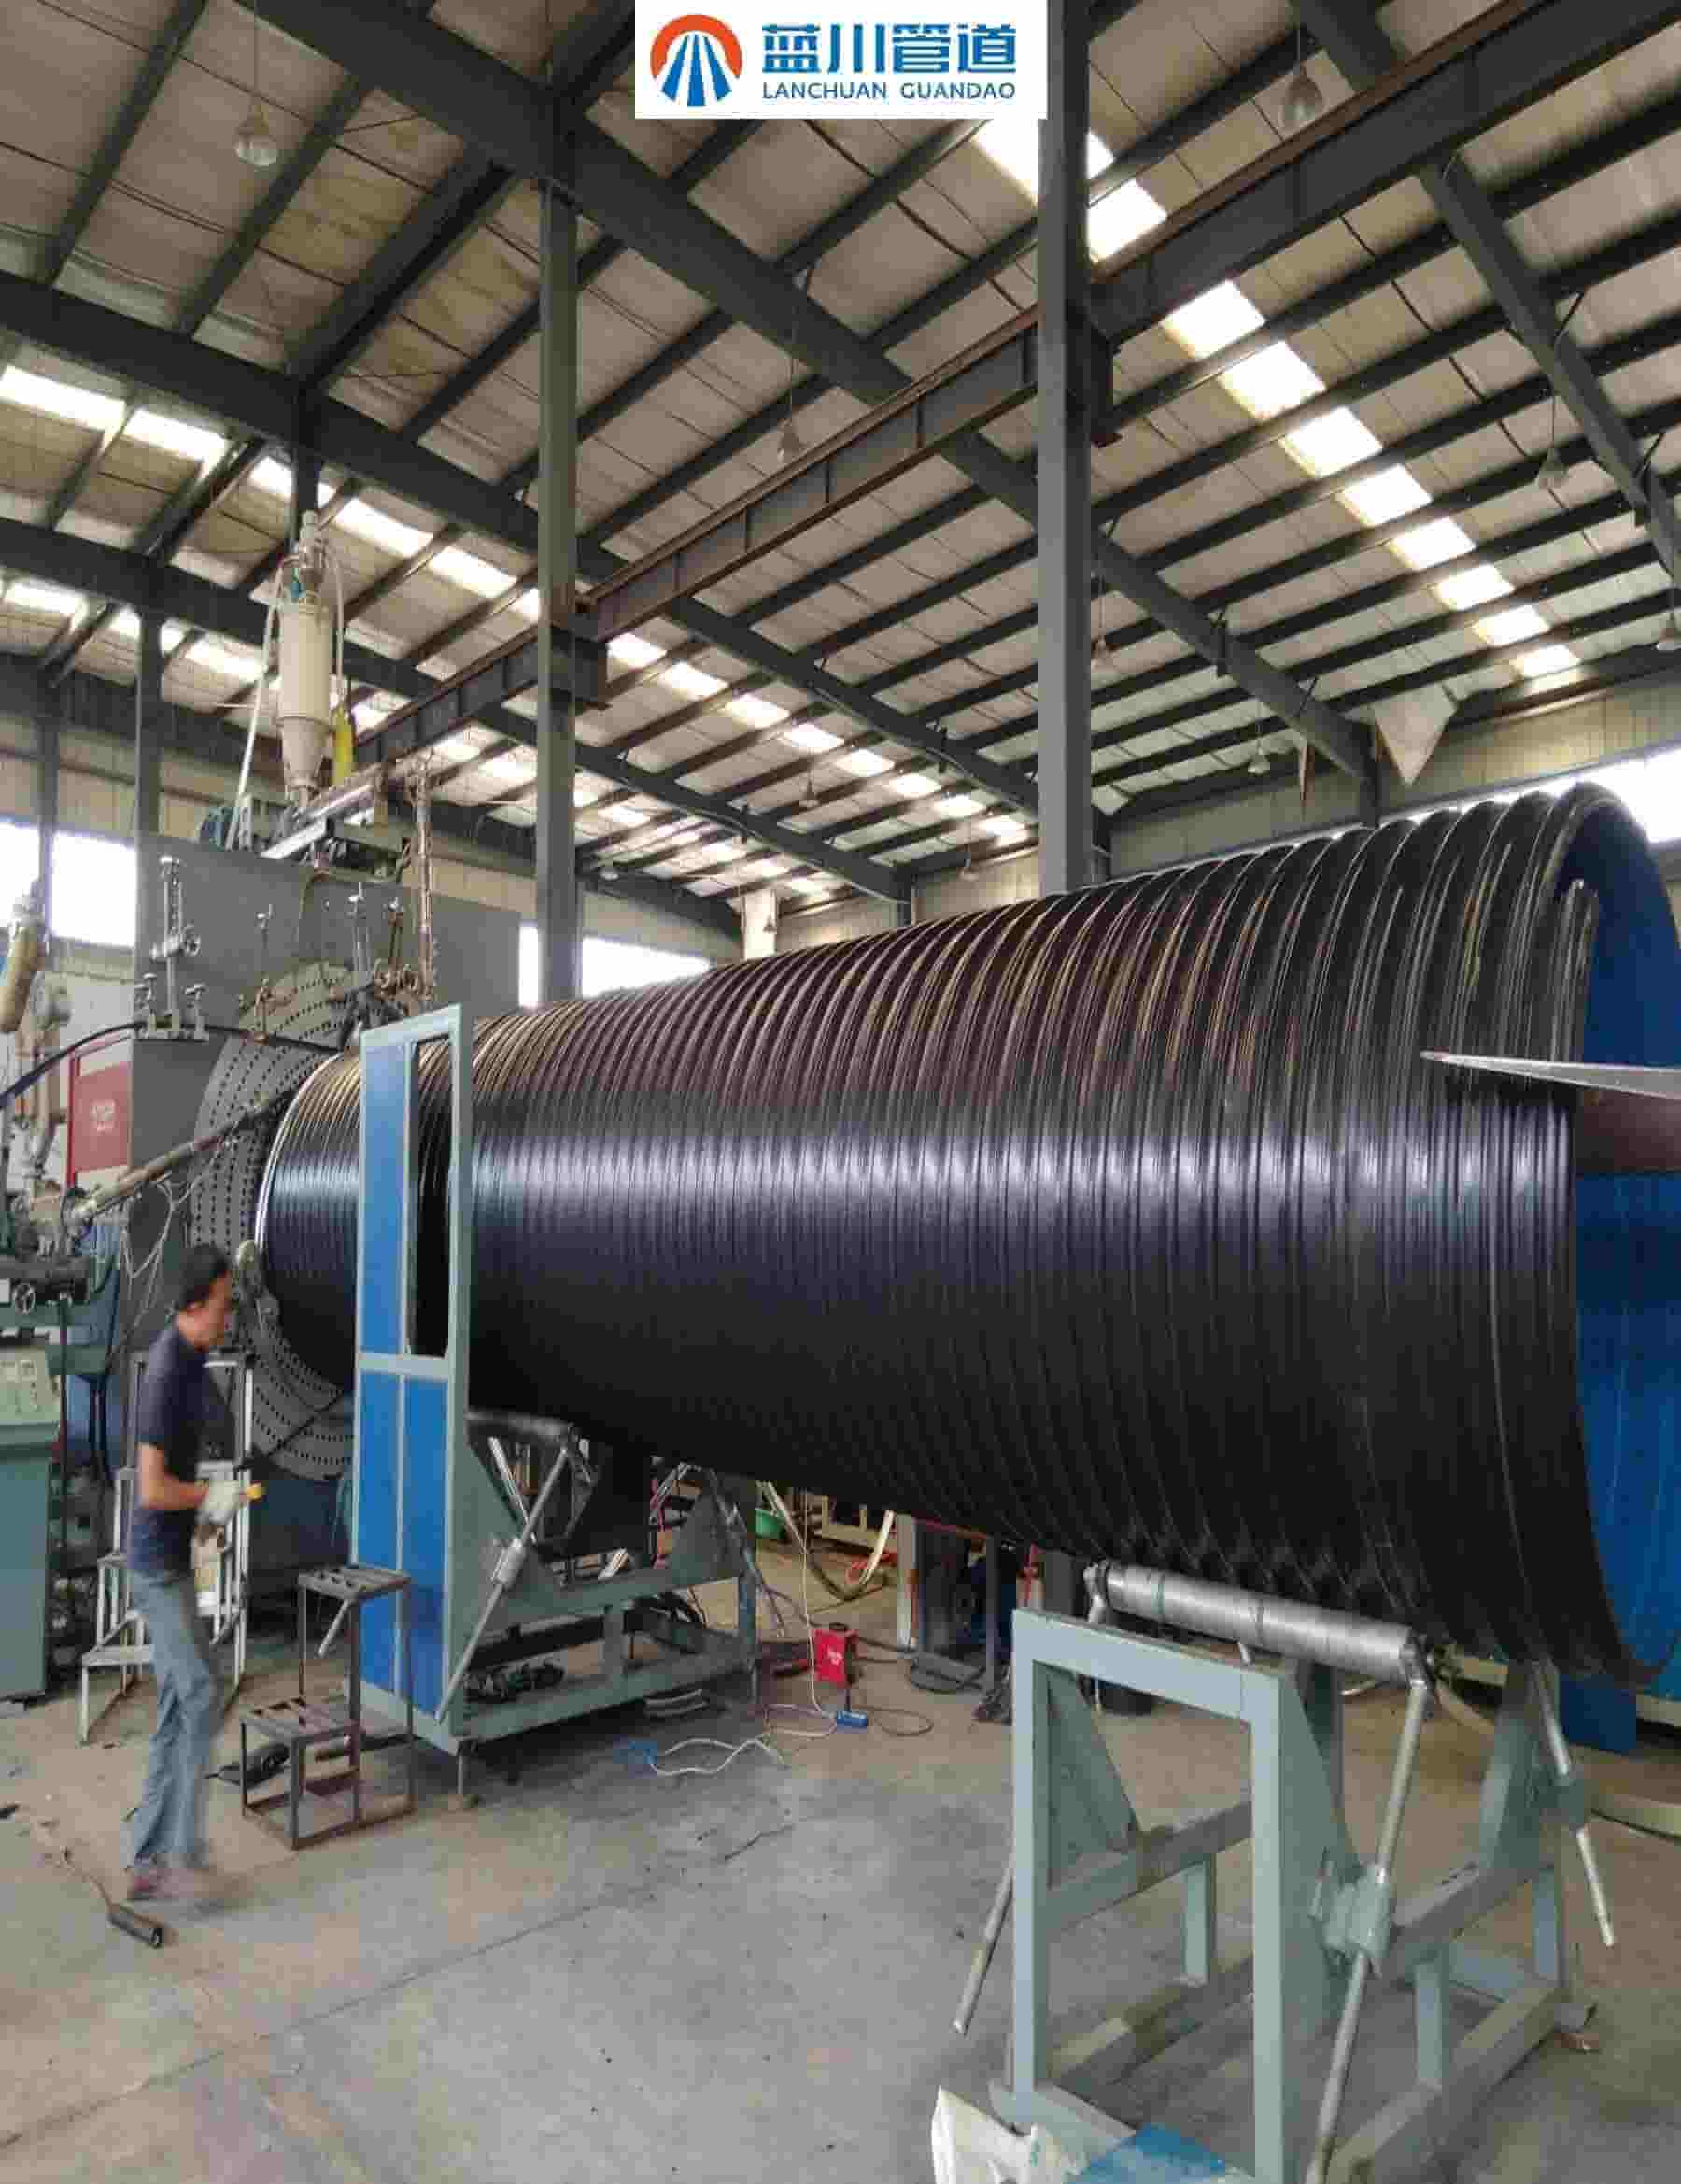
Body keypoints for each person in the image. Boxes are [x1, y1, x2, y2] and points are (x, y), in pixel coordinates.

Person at [125, 1244, 237, 1901]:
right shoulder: (168, 1371)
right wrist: (207, 1496)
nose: (228, 1315)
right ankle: (182, 1856)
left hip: (172, 1560)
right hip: (155, 1569)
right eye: (223, 1303)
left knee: (178, 1703)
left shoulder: (194, 1361)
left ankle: (148, 1860)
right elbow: (151, 1487)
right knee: (199, 1692)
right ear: (196, 1304)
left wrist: (207, 1514)